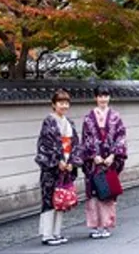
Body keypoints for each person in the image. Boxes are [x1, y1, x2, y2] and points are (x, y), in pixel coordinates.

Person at [35, 90, 82, 246]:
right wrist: (58, 161)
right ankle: (47, 234)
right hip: (52, 168)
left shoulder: (70, 123)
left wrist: (72, 163)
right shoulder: (48, 122)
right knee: (49, 200)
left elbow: (76, 144)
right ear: (53, 105)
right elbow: (45, 145)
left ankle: (57, 233)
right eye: (61, 102)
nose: (64, 105)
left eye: (66, 103)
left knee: (61, 199)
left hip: (66, 166)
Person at [80, 86, 128, 239]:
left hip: (109, 161)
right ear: (95, 98)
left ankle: (105, 224)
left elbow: (121, 137)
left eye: (105, 96)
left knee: (107, 192)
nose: (103, 99)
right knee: (93, 192)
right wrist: (94, 156)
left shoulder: (116, 117)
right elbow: (86, 139)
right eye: (100, 96)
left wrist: (113, 155)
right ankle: (95, 225)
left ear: (109, 98)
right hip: (94, 162)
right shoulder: (88, 118)